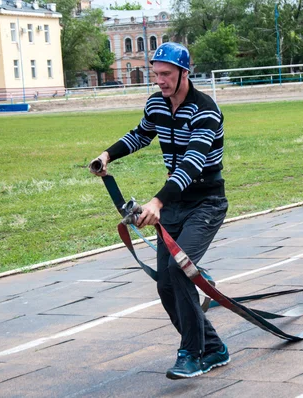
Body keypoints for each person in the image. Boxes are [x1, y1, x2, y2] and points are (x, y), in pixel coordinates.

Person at [89, 42, 229, 380]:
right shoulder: (157, 103)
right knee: (166, 284)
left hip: (206, 203)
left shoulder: (205, 110)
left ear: (185, 72)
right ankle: (212, 348)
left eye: (165, 74)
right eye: (156, 74)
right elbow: (141, 134)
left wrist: (156, 203)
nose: (160, 81)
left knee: (181, 272)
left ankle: (191, 353)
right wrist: (107, 156)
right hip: (175, 204)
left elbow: (193, 164)